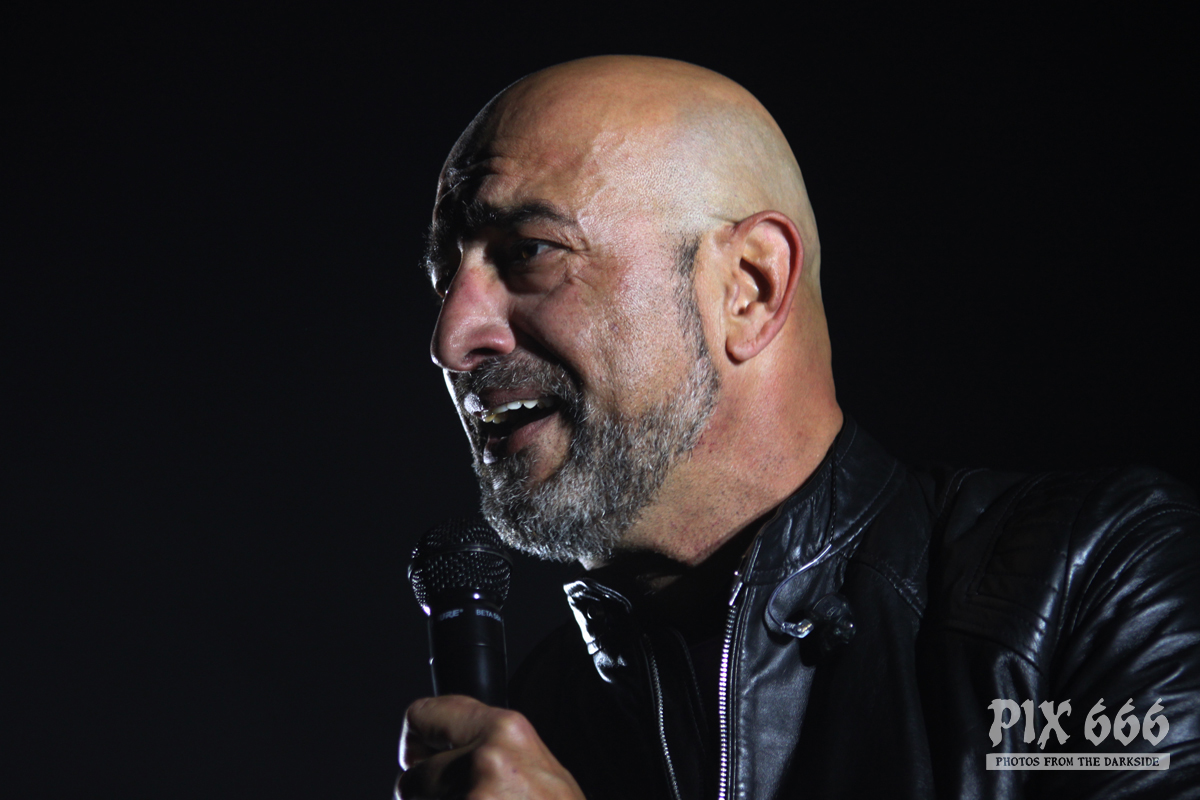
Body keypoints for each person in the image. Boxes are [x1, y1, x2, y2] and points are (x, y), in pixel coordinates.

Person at [397, 56, 1200, 799]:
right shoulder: (537, 725)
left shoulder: (1089, 582)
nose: (451, 339)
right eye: (444, 279)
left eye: (530, 251)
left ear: (749, 287)